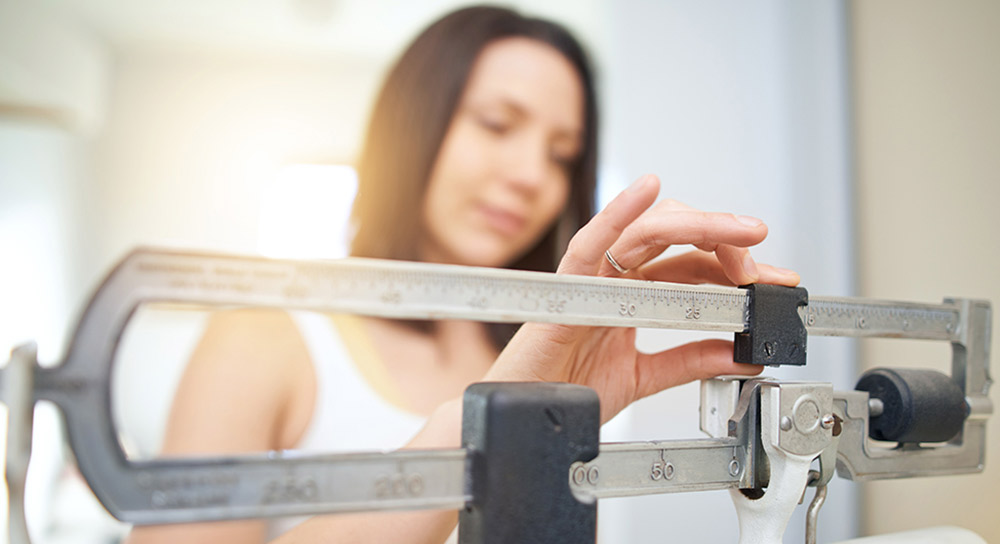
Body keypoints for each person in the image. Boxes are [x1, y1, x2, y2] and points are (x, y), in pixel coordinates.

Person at [127, 5, 799, 544]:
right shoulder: (260, 342)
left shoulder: (561, 372)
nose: (532, 176)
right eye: (497, 123)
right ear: (412, 125)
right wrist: (480, 432)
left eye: (561, 155)